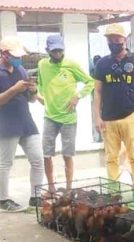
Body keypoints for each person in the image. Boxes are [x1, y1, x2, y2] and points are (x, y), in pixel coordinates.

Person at [0, 36, 44, 212]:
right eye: (15, 56)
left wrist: (33, 91)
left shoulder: (22, 71)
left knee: (38, 159)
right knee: (6, 163)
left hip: (26, 121)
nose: (19, 59)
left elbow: (30, 100)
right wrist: (14, 90)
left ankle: (36, 197)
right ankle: (4, 200)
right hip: (6, 123)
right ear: (4, 54)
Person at [37, 34, 94, 191]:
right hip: (50, 116)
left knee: (67, 154)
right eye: (54, 51)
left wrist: (78, 96)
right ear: (47, 50)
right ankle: (51, 187)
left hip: (68, 118)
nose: (57, 54)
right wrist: (40, 96)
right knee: (47, 154)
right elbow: (40, 85)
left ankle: (69, 188)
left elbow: (90, 82)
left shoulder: (71, 65)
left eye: (60, 51)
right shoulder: (42, 65)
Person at [93, 24, 134, 187]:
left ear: (124, 40)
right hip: (108, 118)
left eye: (116, 39)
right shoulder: (102, 64)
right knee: (111, 158)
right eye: (110, 39)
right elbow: (98, 91)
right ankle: (113, 194)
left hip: (131, 115)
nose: (113, 42)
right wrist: (97, 116)